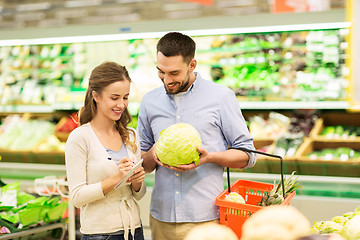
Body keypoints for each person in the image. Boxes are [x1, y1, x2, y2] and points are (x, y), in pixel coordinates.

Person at [137, 31, 256, 240]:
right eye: (161, 72)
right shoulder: (149, 101)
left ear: (192, 65)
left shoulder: (221, 97)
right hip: (161, 217)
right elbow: (144, 165)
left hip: (206, 218)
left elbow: (248, 156)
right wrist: (153, 153)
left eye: (174, 73)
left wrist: (209, 157)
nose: (166, 80)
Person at [65, 61, 146, 240]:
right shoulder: (80, 138)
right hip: (99, 234)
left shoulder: (131, 135)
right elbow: (77, 197)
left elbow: (139, 195)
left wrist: (137, 181)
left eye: (125, 97)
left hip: (134, 230)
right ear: (96, 96)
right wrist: (118, 178)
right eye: (114, 97)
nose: (121, 104)